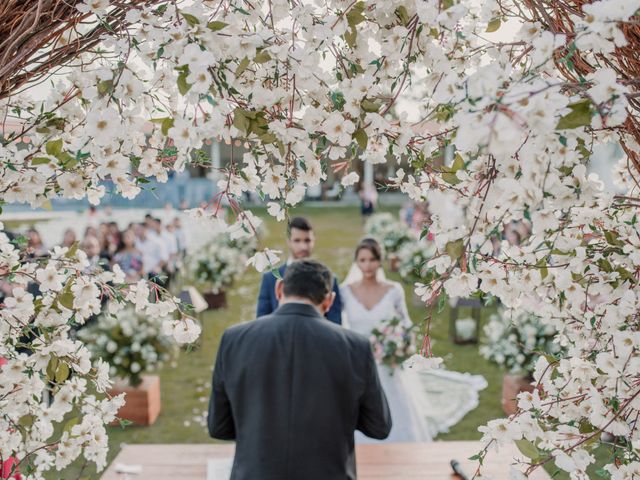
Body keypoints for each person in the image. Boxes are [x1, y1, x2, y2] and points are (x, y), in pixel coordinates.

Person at [208, 260, 391, 479]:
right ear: (329, 301)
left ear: (279, 289)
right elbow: (379, 426)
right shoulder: (355, 346)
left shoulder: (234, 339)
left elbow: (218, 427)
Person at [340, 237, 433, 443]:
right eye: (362, 260)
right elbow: (338, 326)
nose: (367, 265)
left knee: (394, 401)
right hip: (357, 361)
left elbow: (406, 324)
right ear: (356, 262)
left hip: (386, 359)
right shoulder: (345, 292)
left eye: (372, 259)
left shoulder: (393, 290)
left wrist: (401, 347)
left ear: (380, 261)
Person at [256, 216, 342, 324]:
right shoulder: (270, 279)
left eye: (307, 240)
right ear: (288, 241)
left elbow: (335, 323)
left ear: (314, 241)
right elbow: (261, 322)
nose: (303, 247)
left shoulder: (330, 279)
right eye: (297, 241)